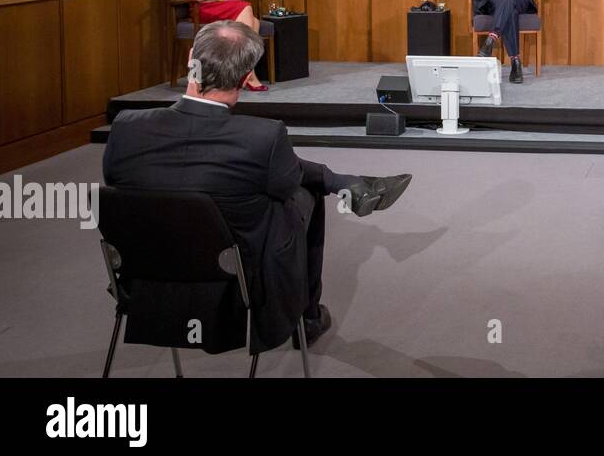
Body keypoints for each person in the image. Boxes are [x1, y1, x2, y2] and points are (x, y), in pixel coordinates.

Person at [103, 20, 413, 353]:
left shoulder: (126, 128)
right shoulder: (261, 137)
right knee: (303, 195)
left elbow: (120, 182)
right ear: (245, 76)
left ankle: (344, 184)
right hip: (238, 277)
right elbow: (285, 184)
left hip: (146, 273)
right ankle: (306, 317)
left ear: (191, 58)